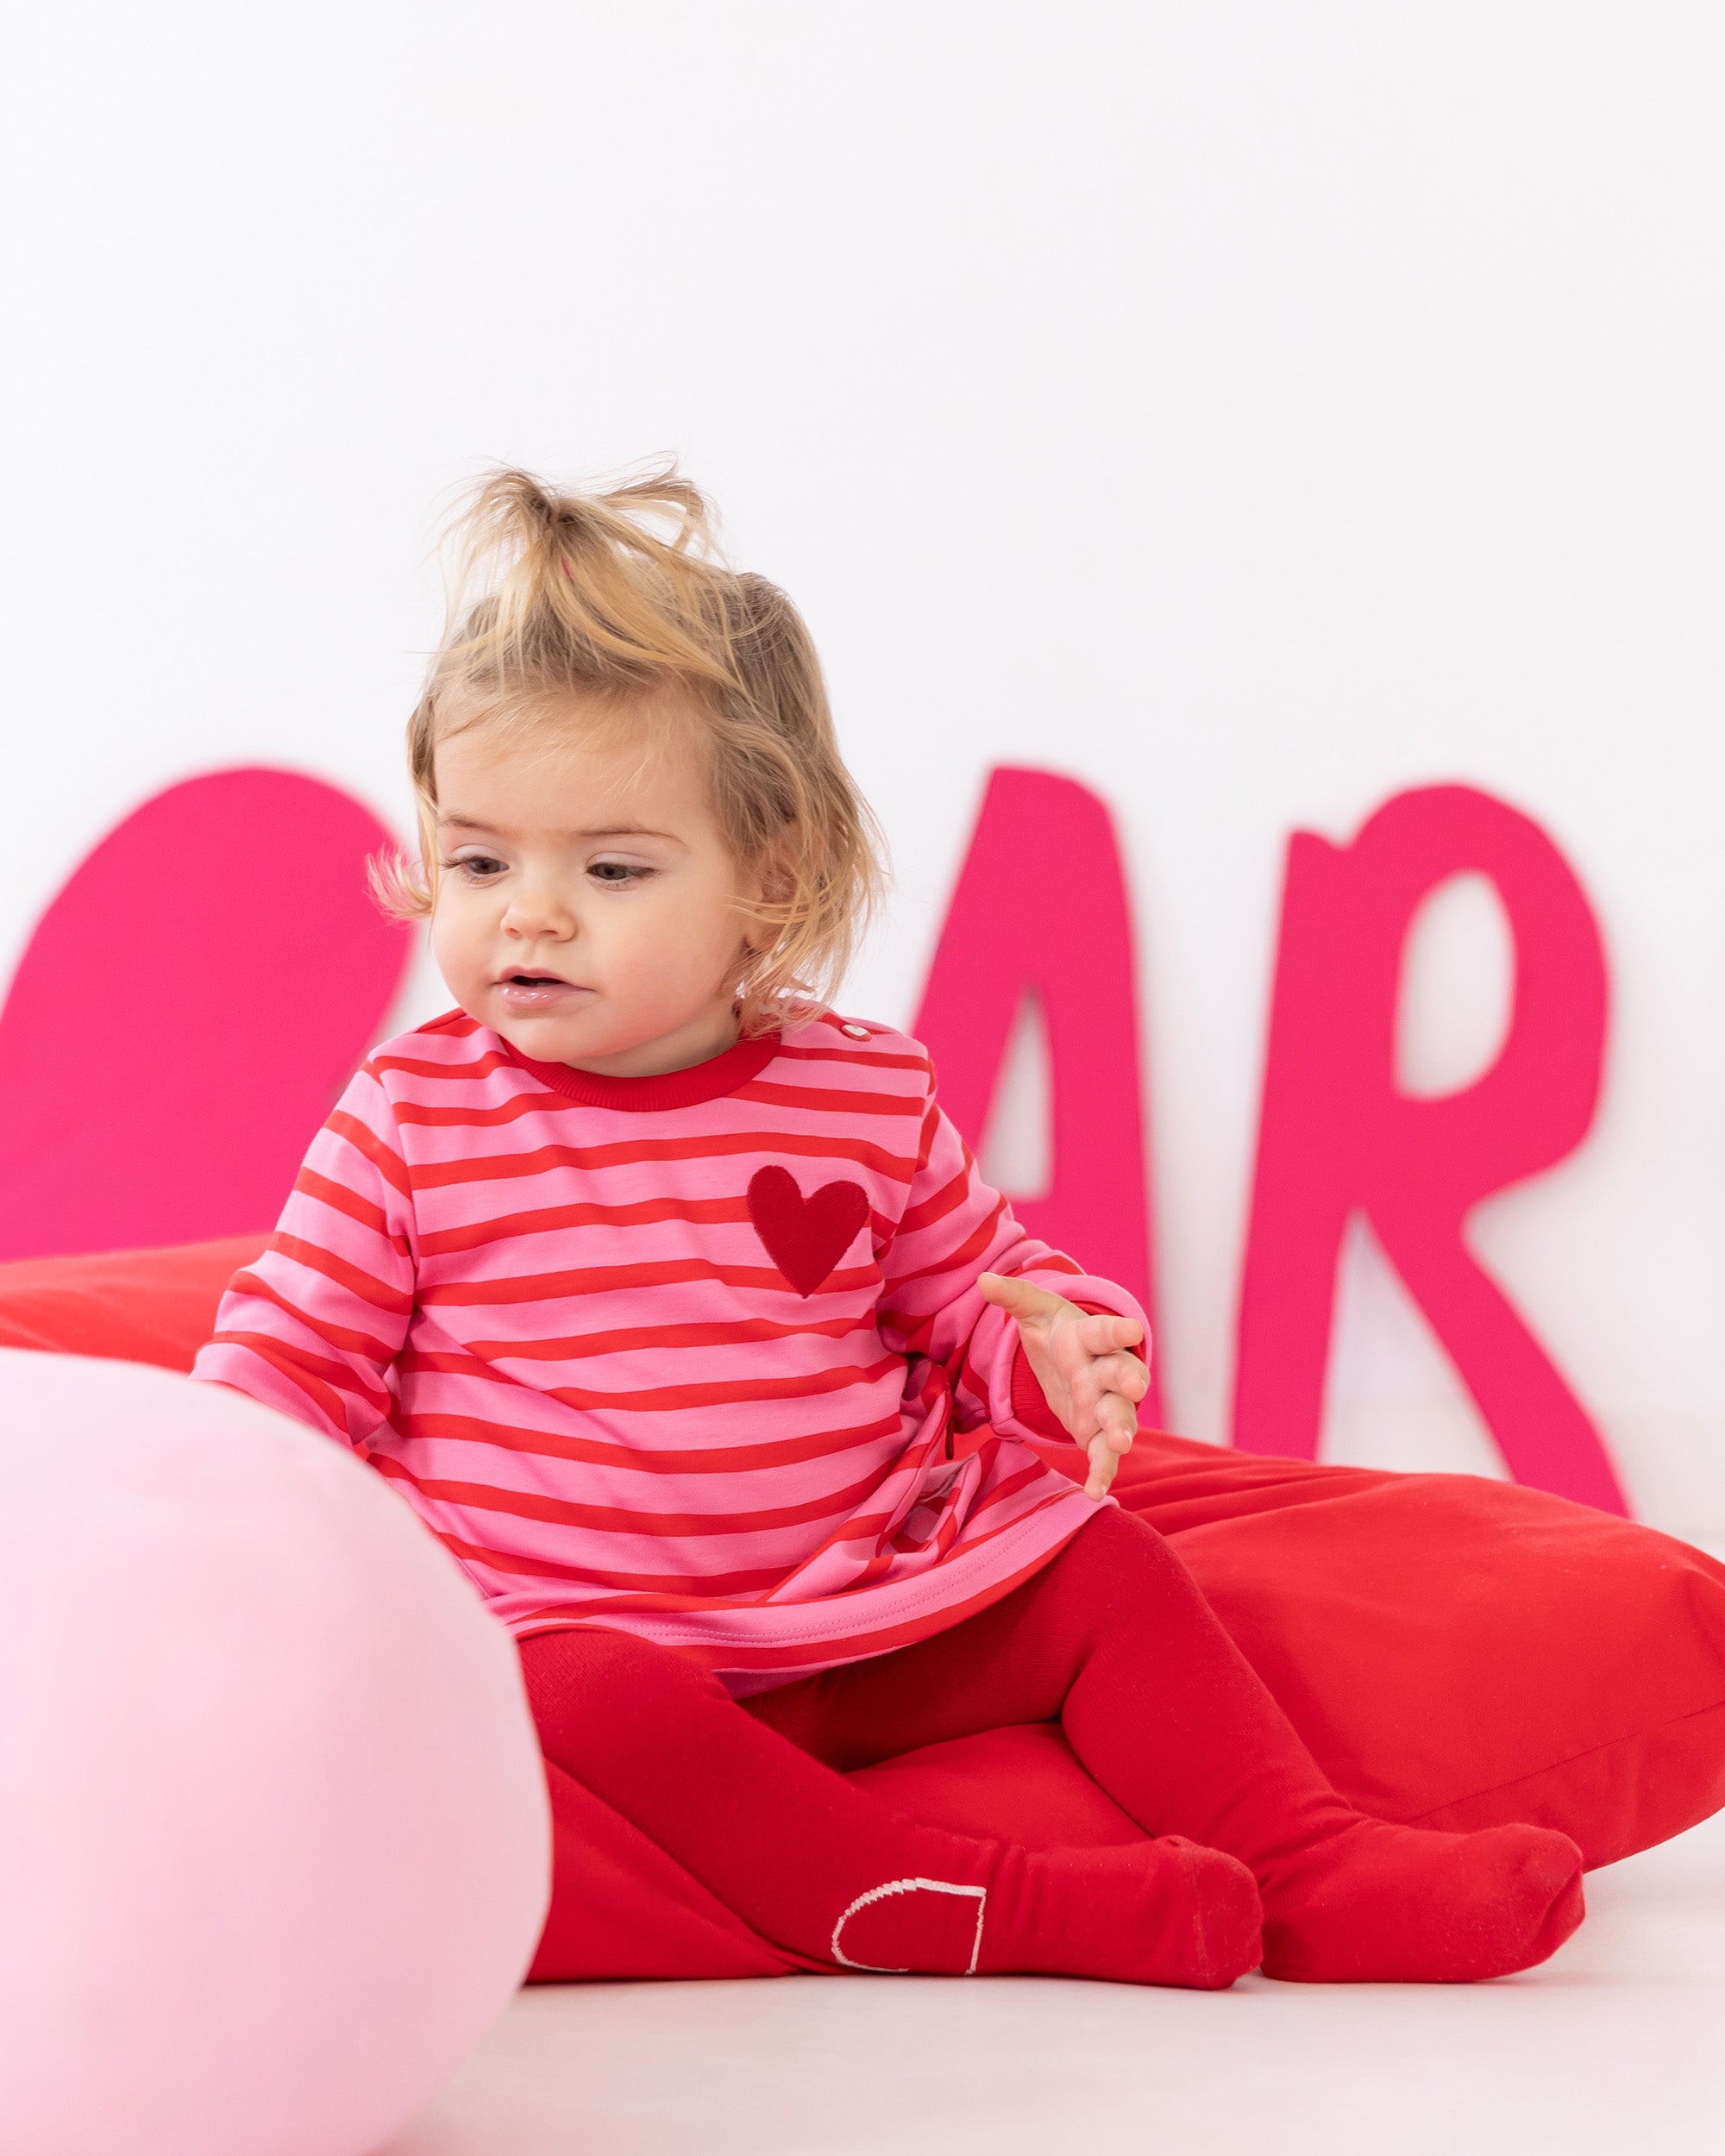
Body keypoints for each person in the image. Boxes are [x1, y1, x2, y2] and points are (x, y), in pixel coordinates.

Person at [191, 467, 1584, 1988]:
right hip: (587, 1632)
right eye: (479, 861)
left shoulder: (859, 1092)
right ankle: (947, 1901)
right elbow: (289, 1360)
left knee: (1099, 1575)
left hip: (872, 1598)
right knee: (567, 1702)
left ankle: (1309, 1863)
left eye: (609, 868)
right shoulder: (417, 1115)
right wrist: (229, 1527)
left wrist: (1041, 1337)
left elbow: (968, 1285)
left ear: (767, 877)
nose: (528, 914)